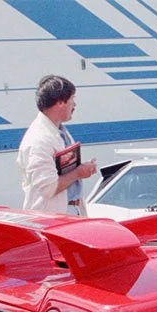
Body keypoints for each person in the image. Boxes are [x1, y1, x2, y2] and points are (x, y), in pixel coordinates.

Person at [16, 75, 97, 215]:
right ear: (60, 102)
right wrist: (78, 173)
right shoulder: (38, 140)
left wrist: (83, 168)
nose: (74, 105)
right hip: (52, 218)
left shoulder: (58, 131)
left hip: (72, 211)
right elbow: (48, 187)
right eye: (72, 99)